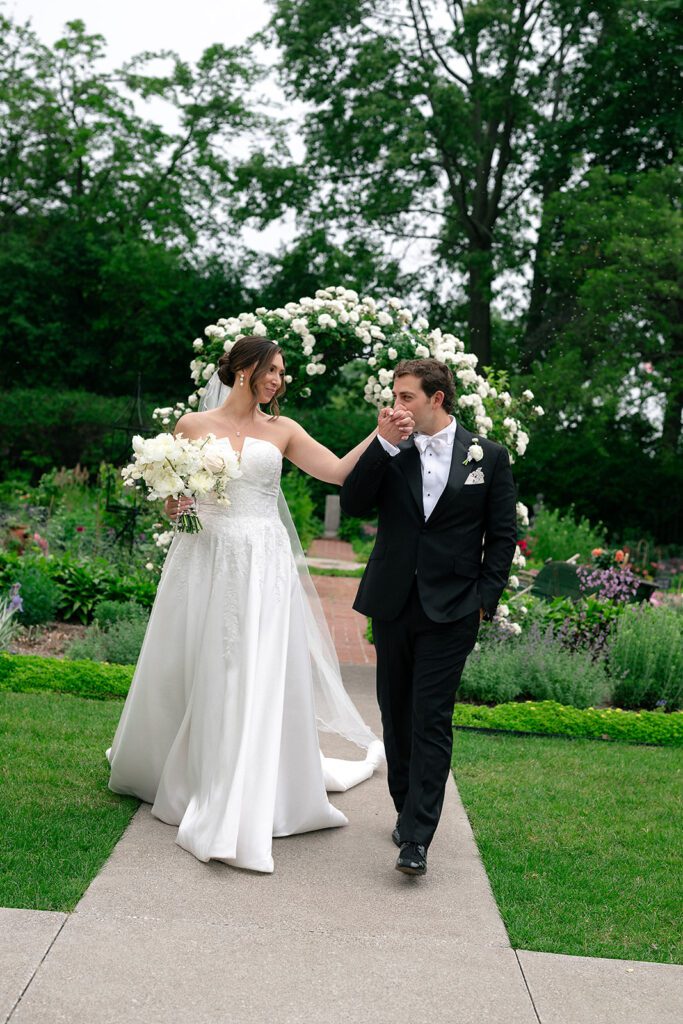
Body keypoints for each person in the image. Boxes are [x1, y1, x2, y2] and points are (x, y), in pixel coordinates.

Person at [106, 335, 414, 874]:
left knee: (252, 666)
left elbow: (339, 472)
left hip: (263, 563)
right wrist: (174, 506)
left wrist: (380, 435)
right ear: (245, 371)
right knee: (200, 659)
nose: (279, 379)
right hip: (204, 559)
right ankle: (189, 767)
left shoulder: (285, 430)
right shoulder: (191, 428)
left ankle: (247, 776)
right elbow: (174, 505)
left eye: (283, 372)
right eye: (273, 370)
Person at [340, 358, 517, 877]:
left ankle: (418, 837)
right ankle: (403, 809)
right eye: (396, 396)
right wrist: (382, 443)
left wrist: (484, 597)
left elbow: (501, 535)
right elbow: (352, 503)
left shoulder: (490, 456)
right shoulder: (392, 448)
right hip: (394, 602)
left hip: (454, 608)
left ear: (436, 399)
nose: (397, 406)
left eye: (406, 397)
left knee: (431, 719)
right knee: (395, 714)